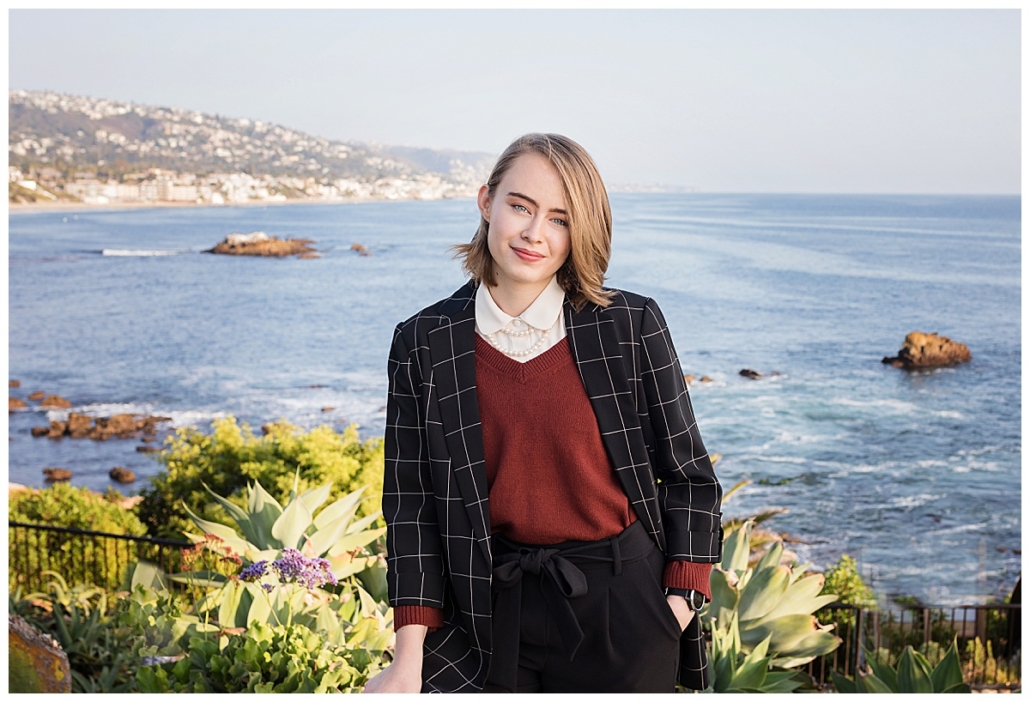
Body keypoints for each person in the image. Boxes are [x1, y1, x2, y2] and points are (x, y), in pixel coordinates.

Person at [364, 133, 722, 694]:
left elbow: (689, 478)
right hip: (487, 611)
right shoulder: (423, 342)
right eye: (520, 207)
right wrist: (406, 658)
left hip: (624, 610)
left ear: (580, 231)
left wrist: (675, 605)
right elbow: (412, 509)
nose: (534, 233)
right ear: (486, 202)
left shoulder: (629, 326)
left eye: (559, 218)